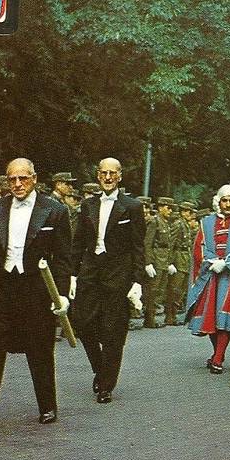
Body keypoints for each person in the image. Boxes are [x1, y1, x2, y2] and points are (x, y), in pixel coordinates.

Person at [0, 158, 72, 429]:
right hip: (2, 287)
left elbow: (63, 258)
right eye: (12, 179)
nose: (18, 184)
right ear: (7, 181)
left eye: (23, 178)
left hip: (36, 289)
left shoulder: (55, 210)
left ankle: (47, 406)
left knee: (40, 349)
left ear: (34, 178)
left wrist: (62, 294)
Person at [69, 158, 146, 404]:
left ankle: (106, 384)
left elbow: (138, 246)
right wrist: (71, 274)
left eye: (113, 173)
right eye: (104, 173)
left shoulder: (132, 207)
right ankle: (100, 368)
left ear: (120, 176)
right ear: (98, 175)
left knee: (114, 330)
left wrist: (136, 281)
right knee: (80, 320)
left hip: (118, 274)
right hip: (90, 272)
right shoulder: (88, 204)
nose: (108, 177)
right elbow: (78, 242)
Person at [185, 185, 230, 374]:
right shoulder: (206, 222)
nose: (228, 204)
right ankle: (217, 353)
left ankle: (219, 357)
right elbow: (199, 246)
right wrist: (210, 260)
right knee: (211, 317)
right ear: (218, 202)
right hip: (210, 274)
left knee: (225, 317)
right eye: (224, 200)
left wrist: (228, 263)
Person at [143, 197, 175, 328]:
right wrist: (148, 262)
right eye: (168, 208)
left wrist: (169, 262)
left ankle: (152, 317)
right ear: (161, 207)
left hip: (163, 260)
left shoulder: (165, 222)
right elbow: (147, 243)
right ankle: (149, 319)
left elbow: (167, 246)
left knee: (158, 291)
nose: (170, 211)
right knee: (152, 290)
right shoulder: (154, 222)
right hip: (156, 260)